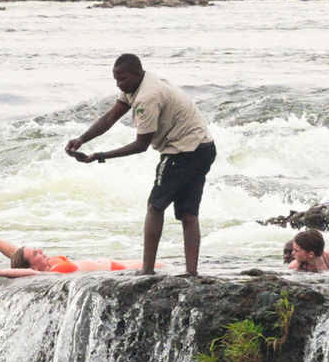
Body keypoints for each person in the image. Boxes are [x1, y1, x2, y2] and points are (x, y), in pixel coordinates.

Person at [64, 53, 216, 276]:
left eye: (122, 79)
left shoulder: (147, 96)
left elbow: (141, 144)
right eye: (116, 79)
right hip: (203, 147)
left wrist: (100, 156)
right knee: (188, 214)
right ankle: (191, 273)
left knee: (155, 207)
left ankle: (147, 270)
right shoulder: (137, 85)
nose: (119, 84)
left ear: (137, 73)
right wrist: (82, 139)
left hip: (184, 151)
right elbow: (111, 116)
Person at [0, 226, 159, 277]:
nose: (39, 251)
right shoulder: (42, 273)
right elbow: (27, 272)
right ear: (32, 265)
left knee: (167, 266)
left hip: (121, 263)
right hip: (120, 271)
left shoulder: (45, 263)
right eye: (34, 254)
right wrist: (0, 272)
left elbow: (13, 251)